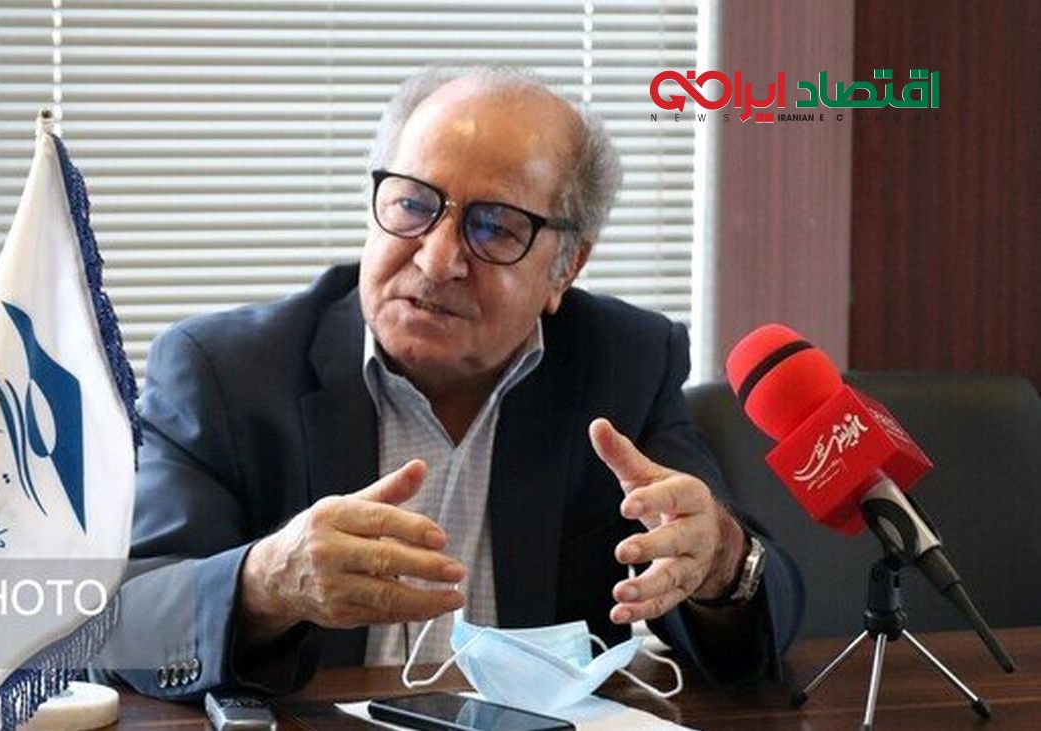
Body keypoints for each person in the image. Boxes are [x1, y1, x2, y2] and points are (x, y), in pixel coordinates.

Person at [93, 66, 804, 698]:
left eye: (494, 228)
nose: (437, 260)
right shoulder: (226, 373)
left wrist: (720, 561)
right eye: (413, 204)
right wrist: (266, 582)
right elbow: (119, 621)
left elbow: (757, 627)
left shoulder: (626, 362)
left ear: (566, 268)